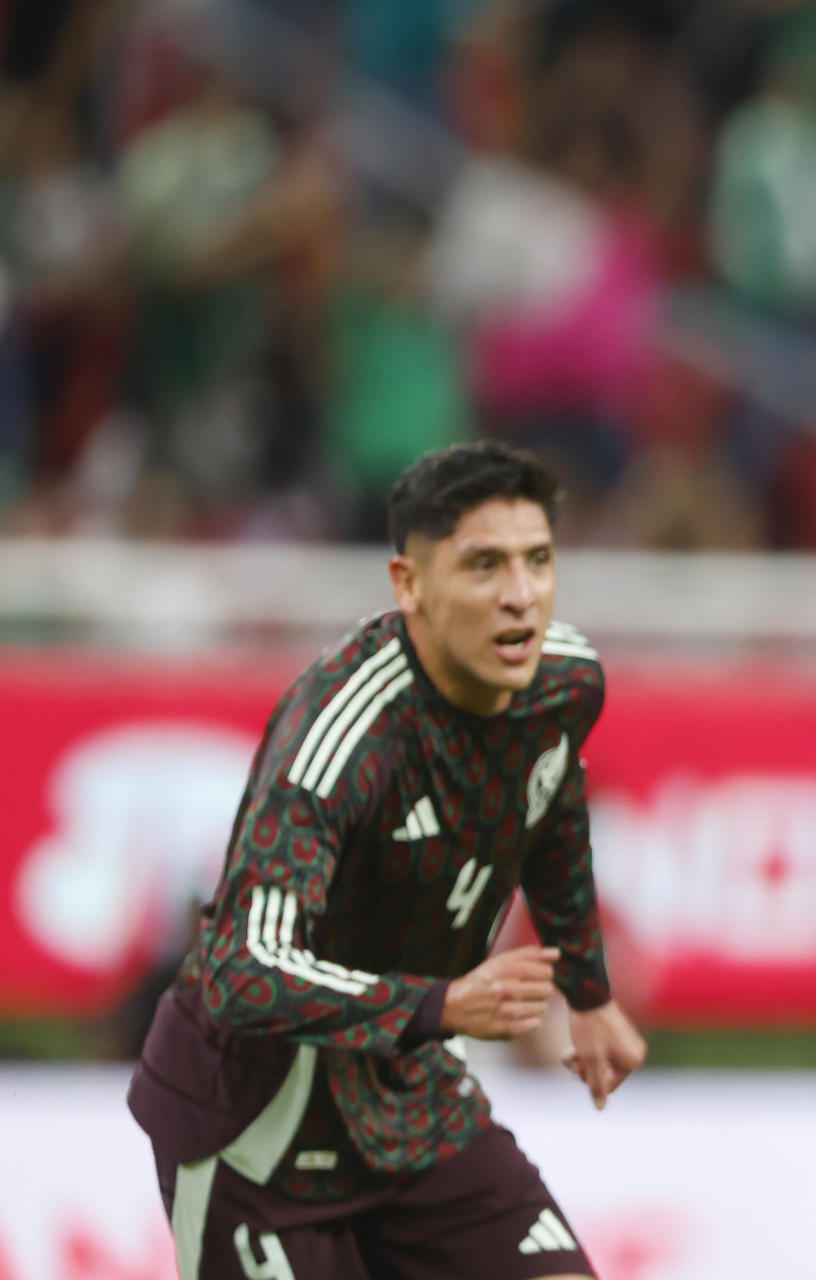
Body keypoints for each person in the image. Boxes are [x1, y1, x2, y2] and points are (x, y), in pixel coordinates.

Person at [128, 441, 646, 1280]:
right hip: (260, 1128)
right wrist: (443, 1005)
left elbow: (552, 807)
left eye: (538, 561)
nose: (521, 597)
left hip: (415, 1109)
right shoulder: (344, 732)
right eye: (483, 566)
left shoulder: (566, 683)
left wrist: (588, 991)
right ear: (409, 585)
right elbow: (240, 970)